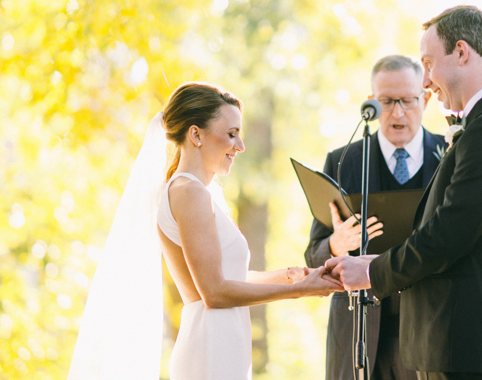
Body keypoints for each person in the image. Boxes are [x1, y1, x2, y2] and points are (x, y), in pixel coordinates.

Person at [325, 6, 482, 380]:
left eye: (429, 63)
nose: (426, 81)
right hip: (451, 347)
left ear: (461, 52)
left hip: (467, 349)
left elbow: (446, 237)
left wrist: (372, 272)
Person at [69, 82, 342, 380]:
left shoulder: (199, 193)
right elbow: (213, 292)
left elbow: (224, 278)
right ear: (196, 134)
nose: (240, 146)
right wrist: (298, 291)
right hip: (211, 348)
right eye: (231, 134)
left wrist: (289, 276)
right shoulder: (189, 192)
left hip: (223, 343)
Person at [305, 55, 445, 380]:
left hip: (429, 331)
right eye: (386, 101)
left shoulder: (450, 156)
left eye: (408, 101)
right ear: (372, 103)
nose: (397, 113)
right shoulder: (343, 162)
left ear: (424, 98)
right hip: (359, 336)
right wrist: (336, 244)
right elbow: (313, 254)